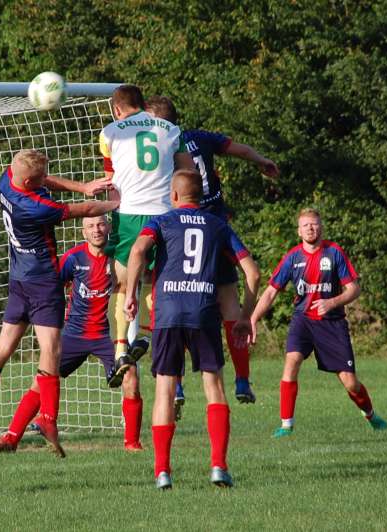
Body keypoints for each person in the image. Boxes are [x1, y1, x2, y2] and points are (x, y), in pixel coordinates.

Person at [0, 149, 119, 458]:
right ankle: (48, 417)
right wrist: (119, 204)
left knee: (5, 343)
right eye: (42, 177)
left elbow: (45, 180)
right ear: (31, 181)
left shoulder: (6, 180)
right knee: (51, 348)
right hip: (44, 281)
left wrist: (82, 185)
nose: (47, 179)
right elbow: (83, 210)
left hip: (18, 279)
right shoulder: (35, 208)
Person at [123, 169, 260, 489]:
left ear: (173, 196)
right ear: (200, 196)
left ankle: (162, 472)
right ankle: (218, 467)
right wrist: (245, 315)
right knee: (215, 388)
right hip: (204, 314)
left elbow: (138, 250)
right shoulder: (218, 225)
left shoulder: (161, 221)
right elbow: (252, 273)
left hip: (168, 314)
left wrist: (130, 293)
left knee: (165, 391)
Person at [0, 215, 144, 453]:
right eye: (90, 226)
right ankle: (11, 438)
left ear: (109, 227)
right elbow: (50, 288)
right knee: (41, 380)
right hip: (73, 334)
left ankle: (132, 444)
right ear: (83, 232)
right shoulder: (74, 258)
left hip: (106, 336)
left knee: (130, 376)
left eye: (100, 224)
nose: (96, 230)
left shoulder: (119, 257)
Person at [250, 208, 387, 438]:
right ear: (299, 230)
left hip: (332, 323)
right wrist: (253, 318)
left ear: (321, 227)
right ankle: (286, 425)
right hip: (302, 320)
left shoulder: (334, 253)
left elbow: (354, 289)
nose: (311, 228)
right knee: (291, 361)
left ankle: (371, 414)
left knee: (350, 383)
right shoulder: (292, 258)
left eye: (314, 224)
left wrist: (332, 302)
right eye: (306, 225)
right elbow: (271, 293)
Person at [178, 127, 280, 405]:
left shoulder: (160, 141)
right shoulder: (199, 136)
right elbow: (243, 150)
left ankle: (176, 384)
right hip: (216, 226)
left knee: (176, 302)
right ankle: (243, 380)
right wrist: (261, 160)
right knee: (229, 305)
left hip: (181, 228)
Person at [100, 88, 194, 386]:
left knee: (124, 282)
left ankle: (120, 348)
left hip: (129, 214)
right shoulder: (171, 129)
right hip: (165, 213)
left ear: (117, 110)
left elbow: (111, 180)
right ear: (143, 104)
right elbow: (188, 171)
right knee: (159, 281)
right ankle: (146, 338)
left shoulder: (110, 132)